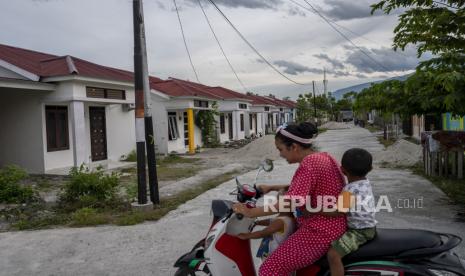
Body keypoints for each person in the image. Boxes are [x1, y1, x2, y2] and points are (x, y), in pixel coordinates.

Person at [232, 122, 347, 275]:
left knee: (269, 269)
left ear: (294, 146)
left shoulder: (308, 165)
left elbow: (292, 201)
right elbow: (308, 186)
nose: (280, 154)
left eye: (281, 149)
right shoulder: (323, 157)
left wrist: (253, 212)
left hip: (319, 232)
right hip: (332, 225)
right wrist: (272, 188)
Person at [326, 148, 377, 276]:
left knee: (333, 255)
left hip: (360, 231)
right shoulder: (365, 182)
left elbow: (338, 212)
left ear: (342, 170)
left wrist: (315, 211)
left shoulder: (349, 189)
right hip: (367, 226)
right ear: (370, 169)